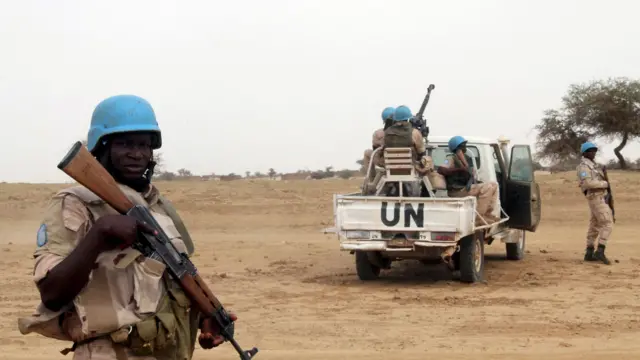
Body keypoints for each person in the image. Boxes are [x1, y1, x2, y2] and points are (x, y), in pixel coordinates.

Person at [17, 94, 235, 359]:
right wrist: (99, 235)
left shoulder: (158, 206)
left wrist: (204, 318)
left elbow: (172, 278)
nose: (137, 153)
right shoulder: (76, 204)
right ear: (102, 147)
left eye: (144, 145)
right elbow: (52, 294)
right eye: (125, 144)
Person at [437, 135, 500, 226]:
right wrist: (459, 170)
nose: (465, 147)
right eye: (463, 145)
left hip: (465, 188)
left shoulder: (465, 158)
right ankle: (477, 218)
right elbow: (441, 169)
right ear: (457, 147)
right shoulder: (451, 158)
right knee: (488, 187)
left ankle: (487, 214)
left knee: (494, 185)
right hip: (456, 190)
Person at [576, 141, 612, 265]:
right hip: (595, 196)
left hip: (599, 196)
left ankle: (589, 252)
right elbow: (587, 183)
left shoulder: (593, 166)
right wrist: (605, 184)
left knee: (595, 224)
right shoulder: (583, 167)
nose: (593, 153)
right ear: (584, 153)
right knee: (607, 223)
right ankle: (600, 250)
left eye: (595, 150)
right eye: (591, 151)